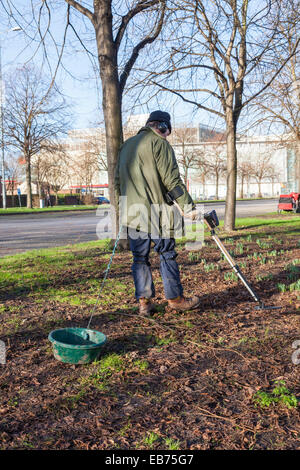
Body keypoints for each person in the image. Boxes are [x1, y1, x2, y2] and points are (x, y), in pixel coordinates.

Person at [115, 110, 200, 315]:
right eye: (167, 131)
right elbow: (171, 180)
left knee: (139, 259)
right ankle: (175, 299)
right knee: (167, 254)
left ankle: (144, 303)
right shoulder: (160, 144)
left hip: (134, 215)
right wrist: (188, 207)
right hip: (158, 213)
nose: (167, 135)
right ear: (162, 127)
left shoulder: (127, 146)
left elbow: (118, 183)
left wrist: (123, 209)